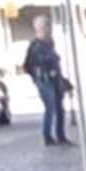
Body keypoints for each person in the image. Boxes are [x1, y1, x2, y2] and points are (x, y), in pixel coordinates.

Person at [20, 17, 70, 146]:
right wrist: (37, 78)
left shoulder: (50, 43)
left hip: (55, 79)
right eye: (45, 27)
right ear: (38, 29)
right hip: (44, 81)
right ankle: (47, 137)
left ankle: (61, 136)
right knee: (50, 107)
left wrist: (61, 78)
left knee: (59, 109)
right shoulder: (35, 46)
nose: (48, 30)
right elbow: (27, 66)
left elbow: (55, 63)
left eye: (48, 26)